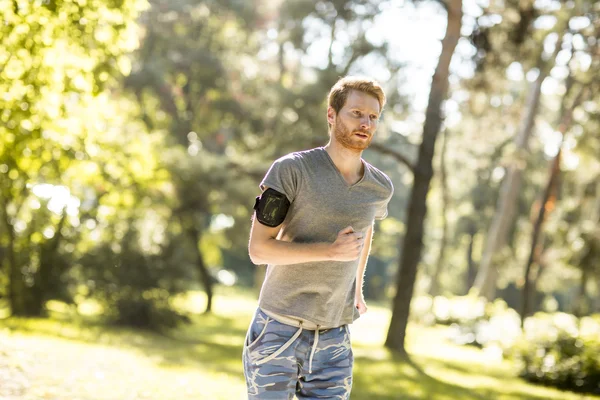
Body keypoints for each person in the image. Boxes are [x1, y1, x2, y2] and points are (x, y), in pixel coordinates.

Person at [243, 76, 394, 399]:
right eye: (356, 113)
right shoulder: (291, 171)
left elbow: (363, 233)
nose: (365, 123)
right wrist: (329, 251)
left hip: (334, 339)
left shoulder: (379, 188)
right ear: (331, 115)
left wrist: (358, 287)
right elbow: (259, 249)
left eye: (373, 116)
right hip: (277, 330)